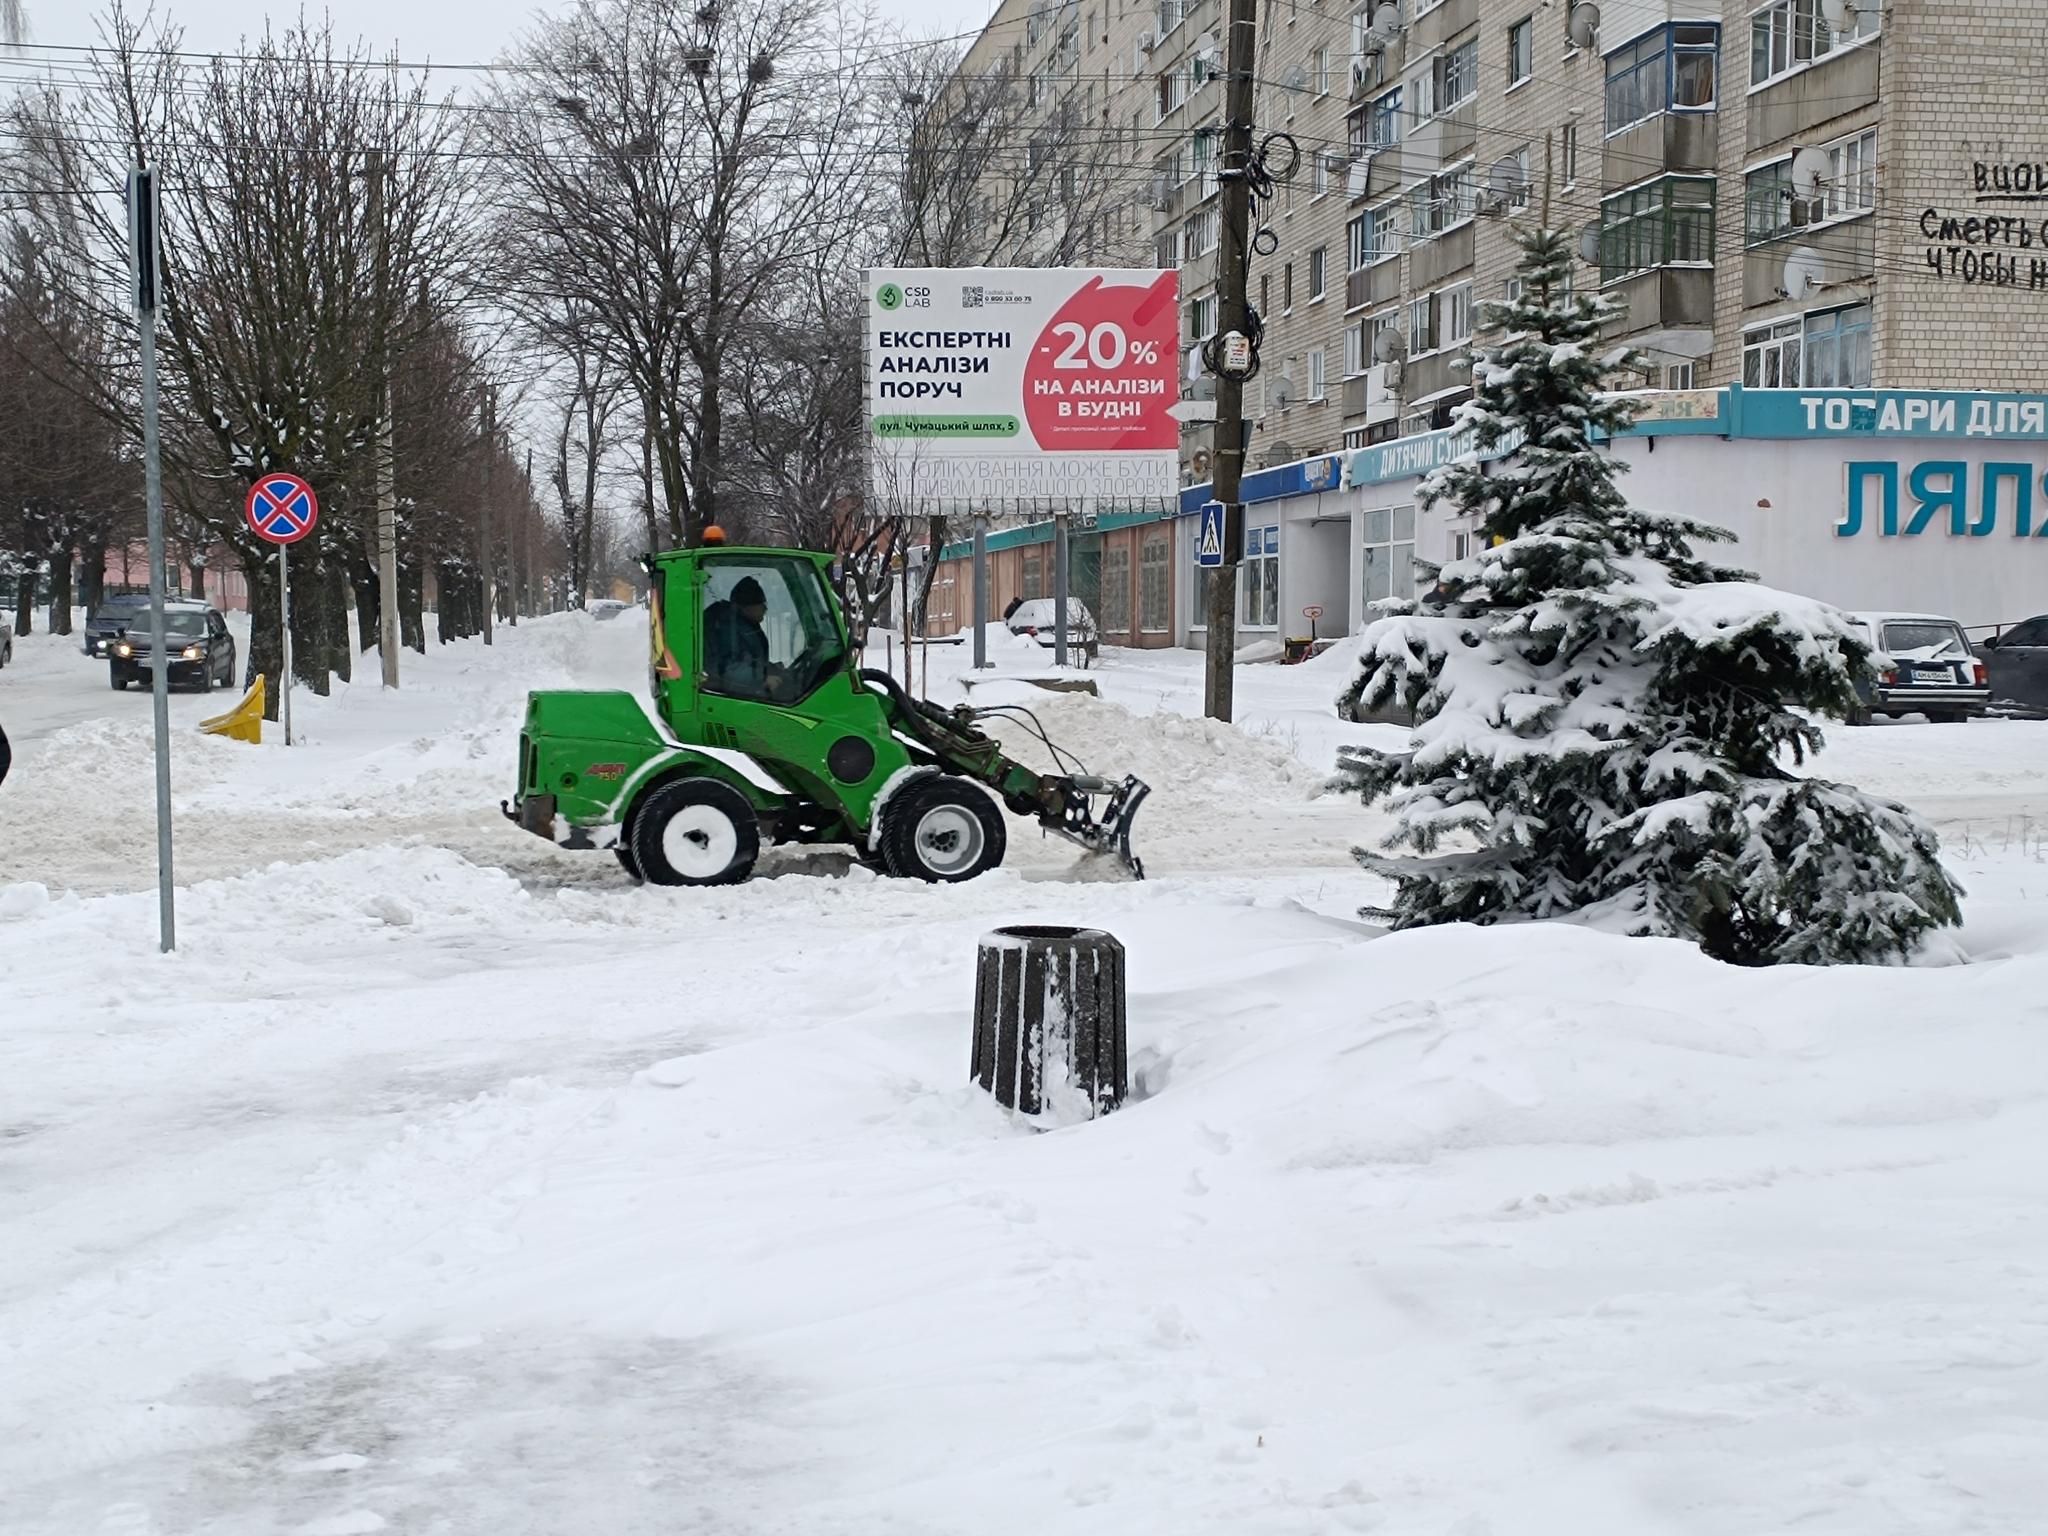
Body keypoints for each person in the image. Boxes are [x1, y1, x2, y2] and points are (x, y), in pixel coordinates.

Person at [704, 576, 772, 698]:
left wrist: (769, 668)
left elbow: (747, 658)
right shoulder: (728, 629)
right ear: (746, 607)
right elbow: (729, 673)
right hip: (737, 698)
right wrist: (763, 681)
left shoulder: (744, 625)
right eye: (762, 604)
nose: (765, 608)